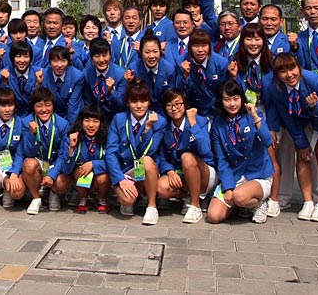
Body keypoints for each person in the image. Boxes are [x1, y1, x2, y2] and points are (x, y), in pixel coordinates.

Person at [270, 53, 318, 222]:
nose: (289, 75)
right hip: (300, 123)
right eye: (282, 71)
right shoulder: (276, 88)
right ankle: (308, 202)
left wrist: (314, 105)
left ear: (299, 67)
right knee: (302, 154)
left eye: (292, 69)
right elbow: (287, 117)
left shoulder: (314, 80)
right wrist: (301, 143)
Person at [227, 22, 281, 217]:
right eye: (249, 39)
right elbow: (236, 94)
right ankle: (253, 196)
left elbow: (276, 99)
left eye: (257, 39)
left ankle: (273, 199)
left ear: (263, 41)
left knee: (270, 155)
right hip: (245, 114)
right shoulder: (235, 61)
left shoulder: (272, 62)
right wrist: (234, 77)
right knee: (250, 154)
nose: (253, 43)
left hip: (266, 113)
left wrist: (272, 127)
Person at [207, 80, 275, 224]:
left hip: (257, 174)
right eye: (227, 99)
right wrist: (228, 187)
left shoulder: (254, 116)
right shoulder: (218, 124)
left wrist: (255, 117)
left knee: (239, 196)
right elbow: (221, 159)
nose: (232, 104)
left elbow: (268, 141)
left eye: (236, 98)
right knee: (213, 216)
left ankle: (259, 203)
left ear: (242, 99)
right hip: (235, 175)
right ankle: (241, 205)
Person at [106, 80, 167, 225]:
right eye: (134, 101)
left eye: (143, 101)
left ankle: (152, 206)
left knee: (146, 160)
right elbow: (110, 152)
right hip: (126, 170)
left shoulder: (159, 121)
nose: (139, 106)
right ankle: (133, 196)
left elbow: (150, 151)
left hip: (146, 169)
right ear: (128, 103)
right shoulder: (119, 119)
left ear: (149, 102)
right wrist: (120, 179)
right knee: (127, 200)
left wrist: (147, 129)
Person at [156, 88, 217, 224]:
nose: (174, 108)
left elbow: (205, 150)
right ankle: (189, 196)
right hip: (181, 173)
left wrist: (193, 123)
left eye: (178, 104)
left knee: (187, 157)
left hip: (205, 171)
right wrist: (169, 171)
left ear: (185, 104)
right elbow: (162, 155)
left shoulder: (200, 121)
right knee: (161, 187)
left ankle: (195, 206)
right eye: (169, 105)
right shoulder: (165, 127)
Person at [20, 87, 71, 215]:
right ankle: (36, 198)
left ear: (53, 105)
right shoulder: (26, 122)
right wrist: (32, 134)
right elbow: (28, 153)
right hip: (38, 161)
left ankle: (53, 193)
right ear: (33, 107)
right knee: (29, 164)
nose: (44, 110)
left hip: (54, 163)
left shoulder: (62, 124)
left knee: (61, 182)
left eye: (48, 105)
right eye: (39, 106)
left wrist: (51, 175)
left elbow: (63, 154)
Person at [59, 104, 110, 213]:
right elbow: (66, 169)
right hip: (81, 174)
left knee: (104, 178)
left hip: (100, 173)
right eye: (87, 120)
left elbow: (113, 162)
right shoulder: (72, 137)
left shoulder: (108, 137)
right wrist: (71, 148)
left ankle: (101, 198)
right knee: (79, 172)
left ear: (101, 123)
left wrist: (93, 164)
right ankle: (84, 198)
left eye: (95, 121)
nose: (91, 125)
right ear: (81, 122)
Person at [181, 29, 228, 118]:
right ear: (189, 48)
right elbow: (182, 93)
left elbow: (224, 91)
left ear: (210, 46)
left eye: (204, 45)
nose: (200, 50)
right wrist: (186, 76)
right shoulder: (182, 62)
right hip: (194, 110)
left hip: (216, 110)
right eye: (196, 46)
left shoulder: (221, 63)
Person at [127, 32, 181, 108]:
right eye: (147, 52)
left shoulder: (169, 69)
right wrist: (129, 82)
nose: (151, 56)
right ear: (141, 52)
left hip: (163, 109)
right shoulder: (134, 68)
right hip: (142, 109)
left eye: (155, 52)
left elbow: (170, 97)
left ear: (160, 52)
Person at [36, 46, 84, 125]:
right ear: (49, 62)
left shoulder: (77, 76)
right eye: (55, 61)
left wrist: (69, 128)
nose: (59, 65)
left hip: (69, 115)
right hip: (50, 116)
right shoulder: (43, 75)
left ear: (68, 62)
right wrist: (38, 84)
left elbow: (73, 106)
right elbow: (38, 100)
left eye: (63, 61)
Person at [81, 37, 128, 117]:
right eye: (97, 56)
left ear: (110, 55)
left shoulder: (120, 74)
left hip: (115, 116)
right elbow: (87, 101)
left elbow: (122, 105)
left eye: (104, 55)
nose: (101, 60)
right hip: (95, 116)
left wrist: (112, 91)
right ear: (91, 57)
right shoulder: (86, 73)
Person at [0, 41, 35, 116]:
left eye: (26, 56)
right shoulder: (3, 73)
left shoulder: (39, 73)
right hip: (12, 116)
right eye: (18, 56)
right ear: (12, 58)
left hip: (34, 116)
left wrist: (38, 84)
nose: (22, 60)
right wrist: (5, 83)